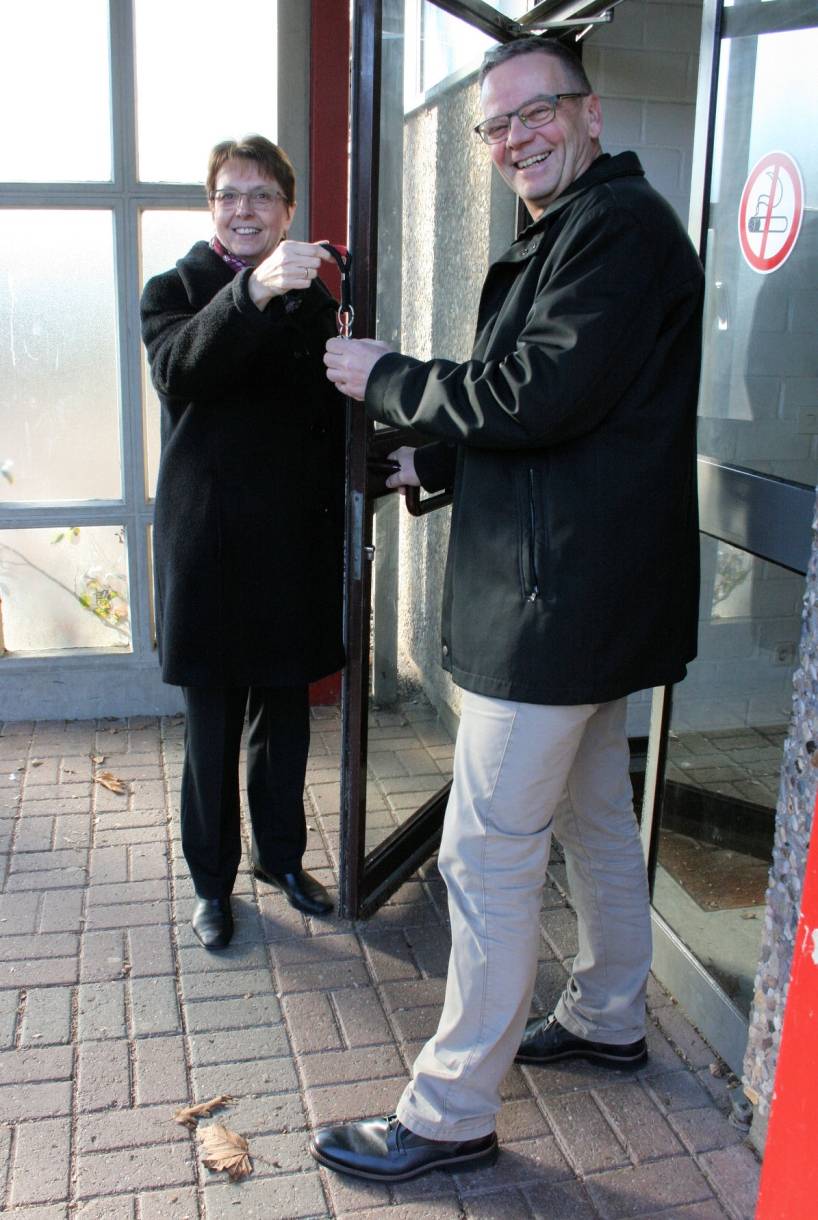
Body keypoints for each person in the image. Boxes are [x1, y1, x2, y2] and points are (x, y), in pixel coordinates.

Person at [315, 37, 703, 1180]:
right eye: (497, 125)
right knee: (593, 818)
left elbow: (534, 393)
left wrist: (388, 377)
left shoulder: (612, 229)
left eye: (538, 112)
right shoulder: (583, 227)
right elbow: (564, 410)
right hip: (584, 593)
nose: (516, 138)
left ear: (588, 114)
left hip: (555, 605)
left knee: (483, 854)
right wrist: (427, 457)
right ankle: (608, 1013)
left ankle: (449, 1111)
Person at [141, 135, 343, 950]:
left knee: (283, 721)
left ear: (288, 211)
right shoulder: (175, 289)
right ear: (211, 207)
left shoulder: (314, 302)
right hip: (209, 549)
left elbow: (329, 416)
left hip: (289, 547)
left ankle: (281, 860)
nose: (244, 209)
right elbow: (179, 370)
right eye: (229, 194)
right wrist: (251, 292)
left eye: (262, 195)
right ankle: (211, 885)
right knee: (212, 729)